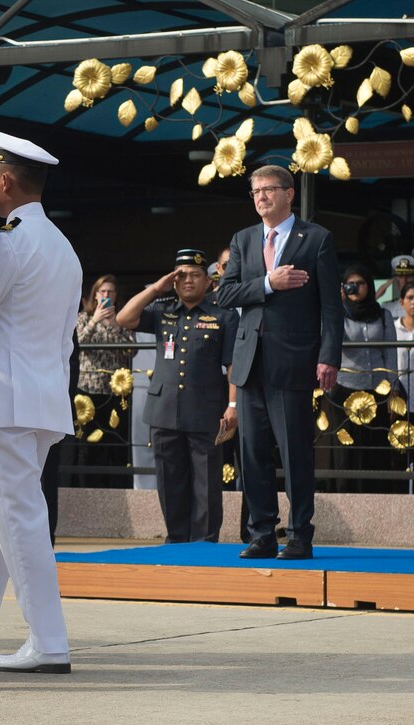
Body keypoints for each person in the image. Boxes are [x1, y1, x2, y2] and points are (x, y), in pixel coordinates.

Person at [0, 131, 80, 674]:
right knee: (0, 525)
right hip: (43, 401)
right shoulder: (61, 245)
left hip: (4, 402)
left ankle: (48, 640)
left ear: (5, 180)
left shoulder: (7, 243)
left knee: (18, 521)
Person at [217, 164, 342, 561]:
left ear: (289, 193)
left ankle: (300, 534)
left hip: (294, 361)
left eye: (269, 189)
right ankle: (262, 533)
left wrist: (328, 356)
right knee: (252, 452)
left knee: (295, 452)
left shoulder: (316, 239)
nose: (261, 197)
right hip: (250, 361)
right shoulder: (243, 239)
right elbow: (226, 294)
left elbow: (331, 308)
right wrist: (270, 283)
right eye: (255, 191)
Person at [118, 249, 240, 543]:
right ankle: (176, 541)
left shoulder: (222, 316)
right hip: (164, 411)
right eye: (181, 275)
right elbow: (124, 318)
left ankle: (204, 544)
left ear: (208, 281)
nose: (188, 280)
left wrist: (233, 405)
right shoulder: (163, 310)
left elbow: (233, 364)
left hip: (205, 411)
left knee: (206, 484)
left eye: (195, 275)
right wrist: (156, 289)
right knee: (170, 482)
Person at [327, 264, 397, 493]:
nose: (355, 288)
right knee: (346, 447)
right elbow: (330, 341)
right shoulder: (338, 313)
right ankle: (346, 492)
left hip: (377, 388)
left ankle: (376, 494)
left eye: (360, 283)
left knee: (374, 446)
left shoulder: (383, 314)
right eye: (350, 283)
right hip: (345, 388)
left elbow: (390, 353)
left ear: (369, 285)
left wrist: (393, 387)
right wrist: (336, 305)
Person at [75, 275, 135, 487]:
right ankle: (87, 487)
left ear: (116, 296)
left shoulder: (123, 319)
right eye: (102, 292)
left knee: (114, 443)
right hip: (88, 391)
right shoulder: (84, 317)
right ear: (95, 295)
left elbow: (131, 350)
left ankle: (116, 488)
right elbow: (79, 341)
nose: (106, 295)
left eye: (110, 292)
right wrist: (95, 320)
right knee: (89, 444)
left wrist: (114, 325)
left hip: (115, 391)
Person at [394, 282, 414, 404]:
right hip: (399, 397)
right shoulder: (392, 329)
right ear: (401, 302)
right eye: (410, 298)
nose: (413, 302)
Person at [377, 254, 414, 320]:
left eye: (408, 276)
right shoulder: (388, 308)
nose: (405, 281)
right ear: (396, 281)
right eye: (400, 276)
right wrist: (377, 294)